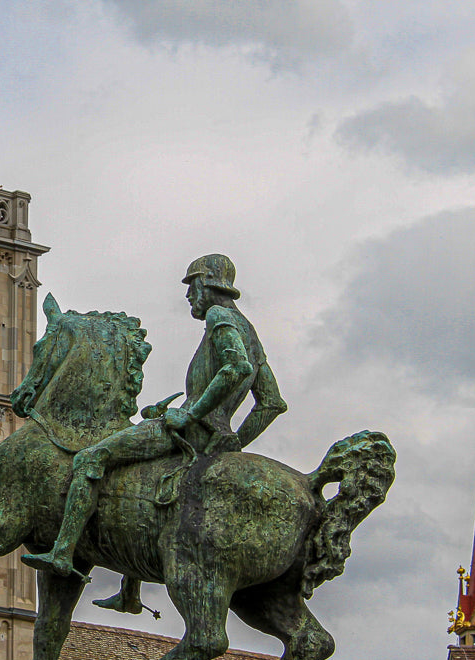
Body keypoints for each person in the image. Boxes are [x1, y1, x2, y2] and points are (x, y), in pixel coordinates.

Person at [22, 255, 287, 602]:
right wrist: (232, 439)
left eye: (191, 287)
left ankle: (61, 552)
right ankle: (128, 593)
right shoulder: (251, 332)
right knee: (136, 474)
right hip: (210, 434)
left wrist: (191, 416)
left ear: (205, 285)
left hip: (190, 429)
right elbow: (271, 403)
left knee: (91, 458)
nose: (189, 296)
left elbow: (234, 367)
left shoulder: (219, 316)